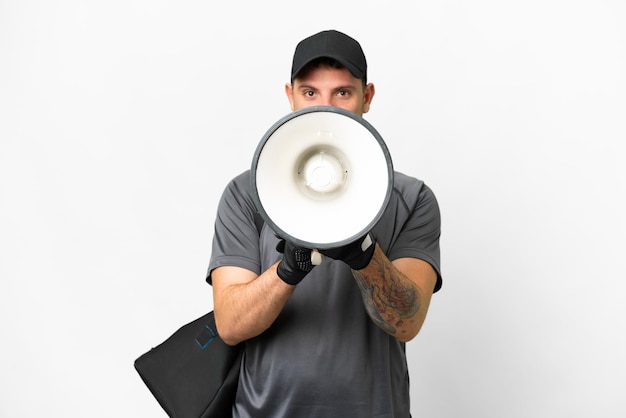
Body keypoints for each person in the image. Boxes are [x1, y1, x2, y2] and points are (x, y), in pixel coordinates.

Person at [207, 29, 443, 418]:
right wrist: (288, 269)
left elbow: (407, 322)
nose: (325, 107)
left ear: (366, 97)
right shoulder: (247, 193)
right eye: (311, 92)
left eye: (343, 93)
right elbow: (230, 324)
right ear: (291, 96)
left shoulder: (412, 198)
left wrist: (364, 257)